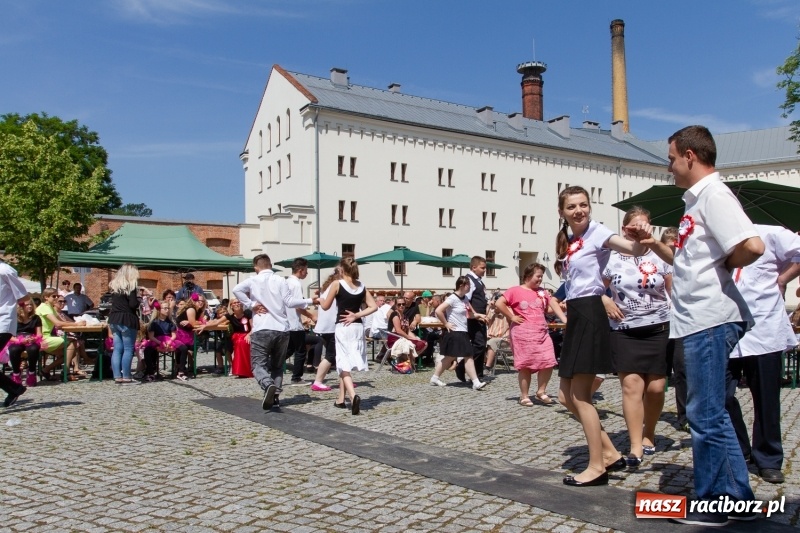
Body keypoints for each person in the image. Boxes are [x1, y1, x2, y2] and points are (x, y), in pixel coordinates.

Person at [652, 125, 764, 526]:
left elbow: (752, 245)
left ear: (689, 156)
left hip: (709, 318)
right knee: (710, 412)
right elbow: (691, 262)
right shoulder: (697, 201)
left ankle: (714, 504)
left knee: (703, 413)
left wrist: (725, 265)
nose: (669, 166)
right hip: (699, 319)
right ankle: (738, 500)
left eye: (671, 158)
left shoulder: (714, 194)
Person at [554, 185, 652, 487]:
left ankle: (597, 467)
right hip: (577, 314)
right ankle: (609, 452)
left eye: (583, 205)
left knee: (581, 396)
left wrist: (642, 237)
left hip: (591, 313)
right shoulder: (570, 239)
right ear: (562, 212)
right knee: (564, 395)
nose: (578, 211)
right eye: (572, 207)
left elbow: (634, 250)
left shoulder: (597, 232)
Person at [724, 225, 800, 485]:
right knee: (721, 396)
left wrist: (783, 278)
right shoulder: (716, 235)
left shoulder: (771, 234)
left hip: (764, 329)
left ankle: (768, 458)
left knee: (766, 399)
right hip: (726, 328)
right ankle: (740, 449)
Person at [602, 207, 672, 468]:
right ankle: (634, 446)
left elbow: (671, 289)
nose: (640, 230)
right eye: (635, 226)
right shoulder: (610, 257)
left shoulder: (659, 254)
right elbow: (594, 286)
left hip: (658, 326)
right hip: (624, 329)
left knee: (655, 388)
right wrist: (604, 299)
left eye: (645, 225)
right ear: (625, 229)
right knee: (632, 387)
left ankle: (649, 432)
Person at [233, 254, 314, 410]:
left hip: (262, 327)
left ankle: (267, 384)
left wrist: (251, 305)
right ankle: (275, 396)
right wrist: (311, 300)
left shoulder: (253, 280)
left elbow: (237, 290)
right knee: (277, 366)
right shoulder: (281, 280)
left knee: (257, 365)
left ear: (256, 267)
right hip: (282, 329)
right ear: (270, 265)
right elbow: (290, 302)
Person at [496, 263, 567, 406]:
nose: (540, 279)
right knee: (525, 365)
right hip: (523, 333)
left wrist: (561, 307)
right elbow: (499, 303)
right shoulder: (515, 290)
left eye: (541, 276)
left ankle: (541, 391)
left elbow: (547, 309)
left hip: (541, 332)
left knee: (549, 361)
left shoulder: (542, 292)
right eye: (538, 276)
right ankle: (524, 396)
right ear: (528, 275)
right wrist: (511, 316)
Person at [318, 257, 377, 415]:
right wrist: (357, 315)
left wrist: (320, 298)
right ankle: (340, 399)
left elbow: (325, 306)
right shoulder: (361, 286)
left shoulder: (337, 284)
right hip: (357, 327)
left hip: (343, 327)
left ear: (342, 270)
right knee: (346, 362)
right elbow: (374, 306)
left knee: (342, 363)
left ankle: (353, 396)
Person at [430, 276, 487, 390]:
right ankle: (476, 382)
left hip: (462, 331)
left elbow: (469, 315)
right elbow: (438, 310)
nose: (470, 288)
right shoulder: (452, 298)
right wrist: (446, 323)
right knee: (468, 355)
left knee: (449, 357)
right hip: (455, 331)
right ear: (461, 285)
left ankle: (434, 378)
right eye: (468, 286)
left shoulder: (464, 298)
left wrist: (480, 315)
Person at [36, 289, 85, 381]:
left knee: (69, 353)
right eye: (54, 296)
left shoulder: (50, 307)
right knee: (73, 342)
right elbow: (58, 323)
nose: (56, 298)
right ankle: (65, 372)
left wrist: (78, 322)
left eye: (57, 296)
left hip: (48, 337)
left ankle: (46, 370)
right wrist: (76, 324)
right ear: (46, 297)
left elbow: (63, 321)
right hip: (41, 339)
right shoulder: (44, 307)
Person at [0, 260, 30, 407]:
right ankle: (14, 389)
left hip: (3, 322)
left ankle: (14, 389)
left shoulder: (5, 270)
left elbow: (23, 296)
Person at [198, 298, 253, 378]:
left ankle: (247, 369)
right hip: (237, 336)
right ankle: (240, 370)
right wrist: (205, 326)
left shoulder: (248, 313)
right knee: (240, 342)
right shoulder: (229, 316)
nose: (237, 304)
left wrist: (249, 334)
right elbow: (217, 322)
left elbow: (254, 327)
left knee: (244, 343)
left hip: (248, 334)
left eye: (238, 302)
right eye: (234, 303)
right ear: (231, 306)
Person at [455, 256, 489, 381]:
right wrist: (475, 314)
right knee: (479, 345)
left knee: (481, 344)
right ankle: (462, 366)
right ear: (474, 267)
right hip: (472, 318)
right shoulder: (469, 280)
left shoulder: (478, 280)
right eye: (482, 268)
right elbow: (466, 300)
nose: (484, 270)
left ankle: (478, 374)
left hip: (480, 317)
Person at [107, 263, 141, 384]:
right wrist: (139, 301)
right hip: (127, 319)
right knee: (128, 349)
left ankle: (117, 376)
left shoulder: (115, 286)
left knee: (117, 349)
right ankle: (126, 375)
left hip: (114, 319)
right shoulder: (131, 286)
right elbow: (132, 304)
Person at [141, 300, 187, 383]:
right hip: (157, 340)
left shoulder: (170, 322)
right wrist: (160, 343)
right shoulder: (154, 323)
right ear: (159, 310)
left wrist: (170, 341)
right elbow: (151, 337)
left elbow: (173, 335)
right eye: (165, 308)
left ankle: (181, 371)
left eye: (168, 308)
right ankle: (150, 372)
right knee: (147, 350)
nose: (167, 310)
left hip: (168, 340)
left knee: (183, 348)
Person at [311, 269, 341, 392]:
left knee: (338, 355)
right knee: (330, 355)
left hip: (325, 327)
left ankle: (345, 380)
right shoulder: (336, 288)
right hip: (331, 328)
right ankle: (318, 382)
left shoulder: (328, 288)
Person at [286, 258, 315, 385]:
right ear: (300, 270)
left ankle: (270, 364)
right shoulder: (296, 284)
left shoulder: (286, 282)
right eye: (306, 270)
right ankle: (296, 377)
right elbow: (298, 305)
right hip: (294, 322)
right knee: (300, 350)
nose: (307, 273)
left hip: (287, 321)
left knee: (290, 349)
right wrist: (310, 315)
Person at [7, 298, 42, 387]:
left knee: (33, 349)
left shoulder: (36, 318)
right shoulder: (14, 317)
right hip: (16, 338)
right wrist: (19, 340)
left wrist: (34, 339)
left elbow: (39, 334)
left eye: (31, 304)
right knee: (14, 349)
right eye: (27, 305)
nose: (30, 306)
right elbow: (8, 335)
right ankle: (16, 374)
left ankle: (31, 372)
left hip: (31, 338)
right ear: (21, 307)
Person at [483, 294, 509, 376]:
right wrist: (490, 307)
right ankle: (480, 365)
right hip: (490, 337)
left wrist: (502, 307)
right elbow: (485, 319)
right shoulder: (491, 312)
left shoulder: (508, 312)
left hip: (504, 340)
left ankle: (488, 367)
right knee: (479, 342)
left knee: (492, 342)